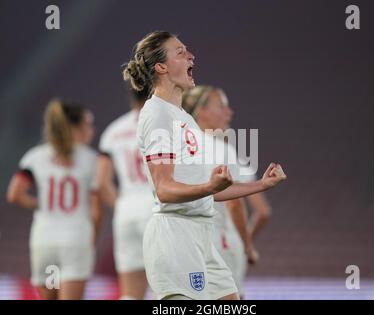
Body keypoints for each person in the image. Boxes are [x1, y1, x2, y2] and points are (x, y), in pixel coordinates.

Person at [123, 31, 287, 300]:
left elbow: (209, 191)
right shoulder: (157, 115)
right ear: (161, 67)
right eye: (180, 52)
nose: (191, 56)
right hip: (176, 237)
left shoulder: (183, 118)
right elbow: (164, 189)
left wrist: (261, 185)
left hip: (203, 235)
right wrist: (209, 185)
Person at [6, 99, 101, 300]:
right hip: (76, 241)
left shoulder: (36, 156)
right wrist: (93, 239)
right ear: (75, 128)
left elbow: (14, 194)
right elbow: (96, 211)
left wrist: (40, 204)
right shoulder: (91, 159)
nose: (91, 130)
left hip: (45, 241)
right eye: (88, 125)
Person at [182, 85, 260, 298]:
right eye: (222, 106)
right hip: (218, 239)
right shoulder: (221, 149)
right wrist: (247, 245)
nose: (229, 112)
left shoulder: (176, 145)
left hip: (181, 239)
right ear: (201, 111)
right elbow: (235, 203)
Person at [96, 86, 152, 300]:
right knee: (164, 285)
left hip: (126, 211)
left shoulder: (113, 131)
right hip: (157, 207)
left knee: (130, 291)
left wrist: (121, 207)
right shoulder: (166, 125)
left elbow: (101, 183)